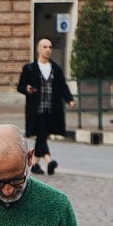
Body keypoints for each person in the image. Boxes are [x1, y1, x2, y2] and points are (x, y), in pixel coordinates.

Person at [17, 38, 74, 175]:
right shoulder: (29, 68)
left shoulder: (56, 68)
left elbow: (62, 86)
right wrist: (27, 89)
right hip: (36, 109)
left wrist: (69, 99)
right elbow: (20, 86)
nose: (48, 49)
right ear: (38, 49)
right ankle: (49, 161)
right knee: (42, 133)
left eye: (50, 47)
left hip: (52, 109)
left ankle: (35, 164)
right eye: (45, 47)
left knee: (42, 135)